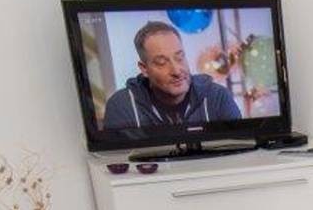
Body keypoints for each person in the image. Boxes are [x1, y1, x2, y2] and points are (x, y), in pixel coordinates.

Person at [101, 21, 242, 129]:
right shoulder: (122, 106)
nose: (176, 71)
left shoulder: (218, 97)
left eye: (180, 58)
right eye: (162, 62)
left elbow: (241, 148)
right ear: (144, 69)